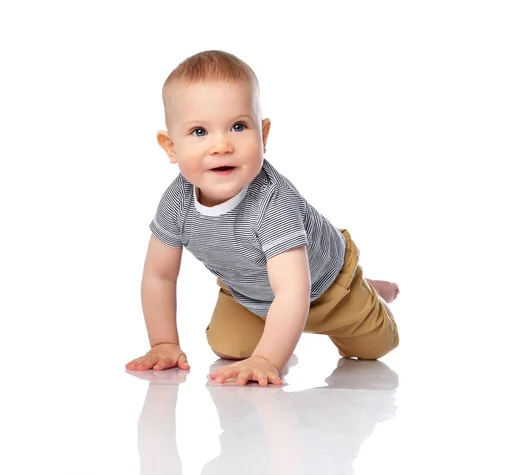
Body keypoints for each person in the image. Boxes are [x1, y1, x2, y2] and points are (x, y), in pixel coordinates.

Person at [125, 50, 400, 386]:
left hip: (327, 289)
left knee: (373, 350)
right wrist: (164, 344)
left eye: (238, 126)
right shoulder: (177, 202)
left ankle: (367, 290)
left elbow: (292, 292)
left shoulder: (272, 204)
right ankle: (278, 333)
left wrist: (268, 360)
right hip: (251, 294)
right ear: (170, 147)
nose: (222, 145)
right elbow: (159, 276)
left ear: (263, 135)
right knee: (228, 347)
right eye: (199, 132)